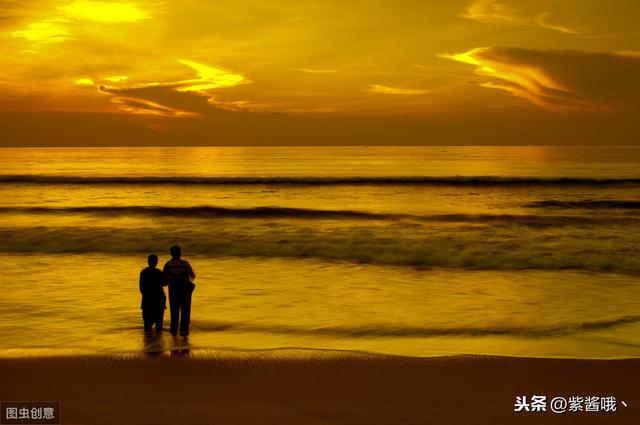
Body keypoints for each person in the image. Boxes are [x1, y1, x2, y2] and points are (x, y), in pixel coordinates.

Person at [163, 245, 196, 336]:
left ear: (171, 254)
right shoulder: (185, 263)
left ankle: (173, 331)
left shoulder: (168, 264)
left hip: (173, 290)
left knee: (174, 311)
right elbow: (192, 276)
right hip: (185, 290)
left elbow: (164, 278)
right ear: (180, 253)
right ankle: (184, 331)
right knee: (185, 310)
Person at [139, 254, 167, 333]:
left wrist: (146, 295)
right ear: (156, 262)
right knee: (159, 326)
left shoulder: (143, 272)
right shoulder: (158, 272)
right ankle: (157, 343)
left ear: (148, 262)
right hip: (159, 300)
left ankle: (149, 343)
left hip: (147, 300)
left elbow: (141, 288)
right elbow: (165, 283)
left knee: (147, 326)